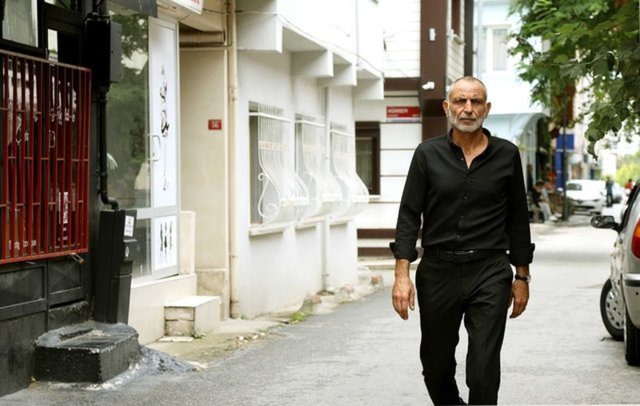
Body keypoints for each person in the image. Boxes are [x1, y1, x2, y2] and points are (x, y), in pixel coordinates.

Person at [390, 76, 534, 405]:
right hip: (438, 270)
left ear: (487, 108)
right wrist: (401, 275)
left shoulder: (507, 155)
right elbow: (409, 215)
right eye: (460, 101)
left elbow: (518, 219)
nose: (468, 109)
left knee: (483, 370)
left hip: (490, 271)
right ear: (447, 107)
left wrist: (522, 276)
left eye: (475, 101)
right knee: (436, 367)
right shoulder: (427, 154)